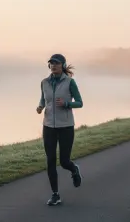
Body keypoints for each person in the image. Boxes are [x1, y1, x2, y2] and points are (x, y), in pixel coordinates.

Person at [36, 53, 84, 206]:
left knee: (64, 161)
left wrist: (67, 104)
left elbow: (80, 102)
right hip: (48, 126)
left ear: (63, 65)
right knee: (50, 161)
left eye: (57, 63)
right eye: (51, 63)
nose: (54, 65)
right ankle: (55, 194)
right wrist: (40, 106)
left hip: (66, 127)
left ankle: (74, 169)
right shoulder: (44, 82)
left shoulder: (70, 82)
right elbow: (43, 99)